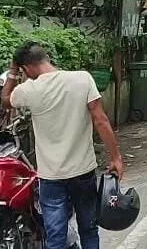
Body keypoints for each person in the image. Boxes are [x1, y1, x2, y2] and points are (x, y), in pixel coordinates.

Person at [1, 42, 123, 249]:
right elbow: (100, 120)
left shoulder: (29, 90)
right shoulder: (82, 79)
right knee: (88, 228)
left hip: (51, 177)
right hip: (83, 170)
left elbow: (4, 100)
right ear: (46, 57)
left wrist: (13, 71)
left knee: (56, 234)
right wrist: (115, 158)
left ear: (27, 69)